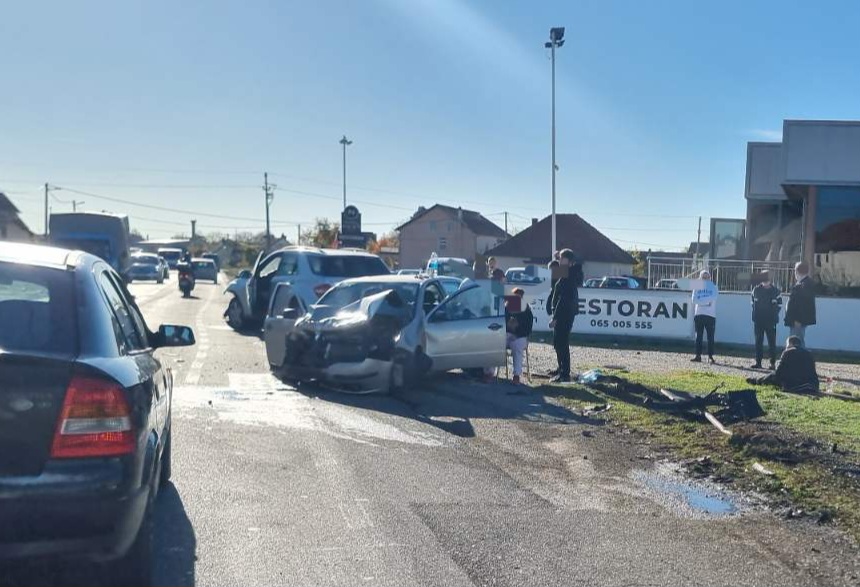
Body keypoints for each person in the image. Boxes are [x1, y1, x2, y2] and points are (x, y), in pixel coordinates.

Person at [549, 249, 583, 382]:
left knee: (562, 342)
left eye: (562, 259)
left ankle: (565, 373)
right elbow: (554, 285)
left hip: (565, 313)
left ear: (569, 262)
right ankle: (560, 368)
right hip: (564, 312)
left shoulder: (569, 275)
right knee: (557, 342)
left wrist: (555, 318)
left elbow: (563, 299)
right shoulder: (565, 273)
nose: (559, 261)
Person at [747, 336, 819, 393]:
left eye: (787, 345)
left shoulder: (788, 352)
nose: (786, 347)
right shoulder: (809, 354)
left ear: (791, 344)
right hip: (812, 385)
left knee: (772, 376)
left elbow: (778, 373)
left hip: (795, 386)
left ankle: (756, 381)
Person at [751, 271, 782, 370]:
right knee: (758, 341)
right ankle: (758, 362)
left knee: (771, 342)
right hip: (758, 320)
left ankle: (772, 363)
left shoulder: (776, 291)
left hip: (771, 321)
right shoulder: (755, 290)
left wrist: (772, 314)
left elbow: (779, 305)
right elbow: (752, 303)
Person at [505, 288, 533, 385]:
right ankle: (489, 373)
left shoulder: (526, 311)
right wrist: (508, 325)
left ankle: (516, 375)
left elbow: (528, 329)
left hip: (520, 336)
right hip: (507, 334)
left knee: (517, 346)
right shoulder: (506, 308)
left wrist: (517, 331)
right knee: (495, 342)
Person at [784, 261, 816, 346]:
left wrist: (797, 319)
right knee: (798, 340)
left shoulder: (803, 286)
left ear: (797, 271)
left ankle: (799, 358)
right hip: (798, 320)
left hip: (797, 320)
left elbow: (801, 304)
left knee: (796, 342)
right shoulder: (806, 284)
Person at [691, 270, 717, 364]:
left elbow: (712, 300)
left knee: (710, 337)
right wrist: (705, 302)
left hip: (710, 315)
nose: (705, 279)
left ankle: (710, 356)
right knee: (698, 336)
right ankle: (698, 355)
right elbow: (694, 300)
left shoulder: (714, 287)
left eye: (707, 277)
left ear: (710, 278)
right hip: (699, 314)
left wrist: (701, 301)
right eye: (703, 277)